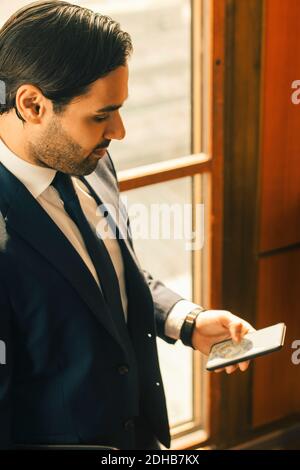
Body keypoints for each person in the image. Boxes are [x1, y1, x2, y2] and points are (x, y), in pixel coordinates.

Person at [0, 1, 253, 450]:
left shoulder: (90, 160)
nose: (118, 132)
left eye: (117, 110)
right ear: (32, 104)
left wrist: (186, 320)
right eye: (100, 115)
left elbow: (112, 270)